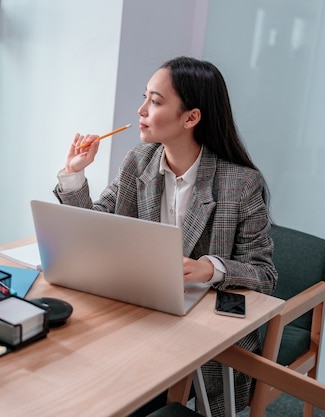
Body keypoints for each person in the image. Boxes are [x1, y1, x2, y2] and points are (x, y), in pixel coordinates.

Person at [53, 56, 278, 416]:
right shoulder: (138, 161)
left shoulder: (242, 185)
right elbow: (94, 231)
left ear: (191, 118)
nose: (141, 109)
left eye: (155, 102)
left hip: (201, 335)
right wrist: (74, 175)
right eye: (145, 97)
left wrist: (209, 268)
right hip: (139, 312)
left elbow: (264, 276)